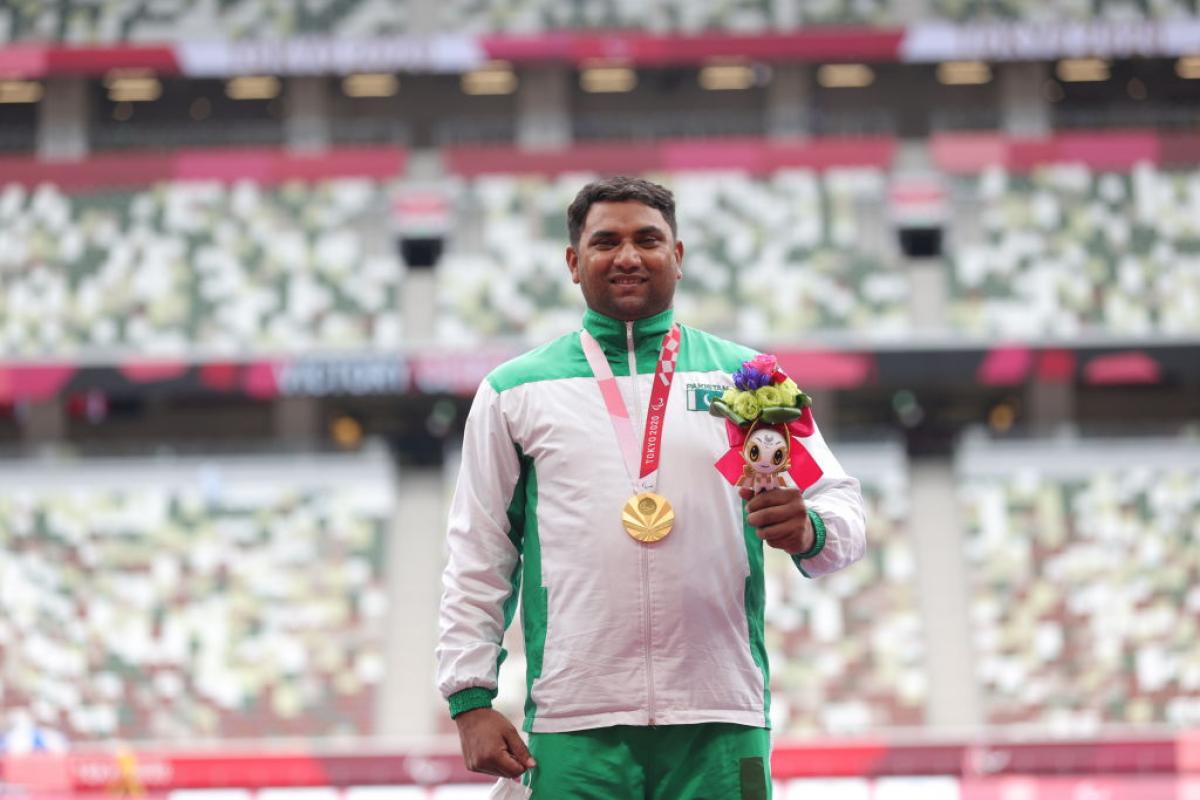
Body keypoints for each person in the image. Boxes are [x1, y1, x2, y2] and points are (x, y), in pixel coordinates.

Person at [436, 176, 867, 799]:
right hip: (573, 719)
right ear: (573, 263)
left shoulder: (747, 379)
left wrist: (809, 528)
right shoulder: (515, 392)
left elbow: (840, 507)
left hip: (720, 715)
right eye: (606, 241)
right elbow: (478, 552)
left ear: (679, 256)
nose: (629, 256)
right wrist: (470, 699)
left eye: (648, 239)